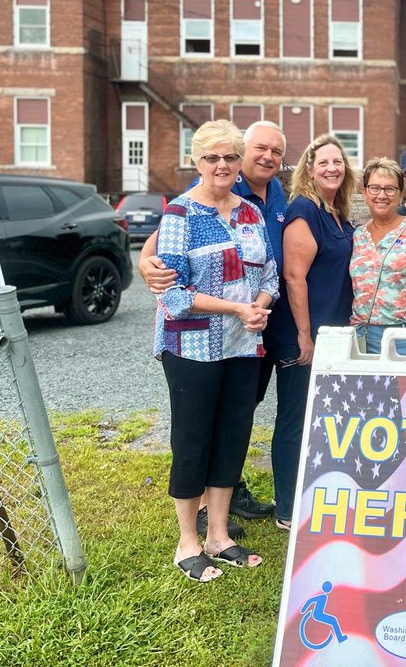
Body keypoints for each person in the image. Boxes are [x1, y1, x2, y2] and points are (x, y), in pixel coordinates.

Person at [139, 120, 288, 536]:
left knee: (232, 438)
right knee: (192, 440)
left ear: (239, 163)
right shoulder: (180, 213)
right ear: (196, 161)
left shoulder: (251, 212)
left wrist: (259, 305)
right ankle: (189, 540)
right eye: (212, 157)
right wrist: (238, 308)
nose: (222, 165)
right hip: (192, 348)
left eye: (229, 157)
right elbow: (174, 296)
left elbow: (269, 276)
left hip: (243, 345)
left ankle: (219, 535)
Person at [273, 133, 357, 530]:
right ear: (309, 169)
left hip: (336, 335)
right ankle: (288, 507)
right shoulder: (304, 210)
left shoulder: (338, 213)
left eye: (337, 161)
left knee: (322, 419)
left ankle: (318, 493)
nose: (331, 168)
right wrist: (304, 335)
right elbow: (294, 276)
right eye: (323, 162)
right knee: (294, 418)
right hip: (305, 336)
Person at [351, 157, 406, 356]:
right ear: (364, 192)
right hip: (362, 335)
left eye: (390, 189)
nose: (382, 195)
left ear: (400, 195)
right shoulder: (357, 235)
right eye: (375, 188)